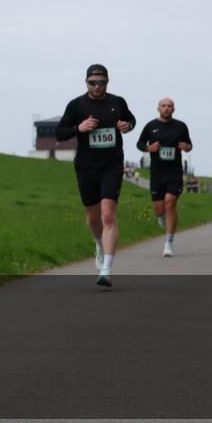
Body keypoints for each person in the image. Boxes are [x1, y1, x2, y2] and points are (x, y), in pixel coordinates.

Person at [56, 64, 136, 287]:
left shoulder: (117, 102)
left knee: (108, 215)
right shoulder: (76, 105)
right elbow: (60, 133)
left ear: (107, 82)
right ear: (86, 83)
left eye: (102, 82)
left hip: (112, 166)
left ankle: (107, 268)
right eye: (93, 83)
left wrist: (127, 125)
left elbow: (131, 120)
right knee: (93, 217)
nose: (98, 87)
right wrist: (79, 128)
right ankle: (99, 247)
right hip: (86, 167)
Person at [135, 98, 193, 257]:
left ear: (173, 109)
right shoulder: (150, 126)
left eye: (169, 106)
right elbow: (139, 144)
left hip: (174, 172)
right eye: (164, 106)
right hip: (157, 173)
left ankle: (169, 242)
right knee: (159, 210)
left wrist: (186, 147)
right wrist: (149, 148)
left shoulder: (181, 126)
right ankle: (162, 219)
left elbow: (189, 145)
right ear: (158, 108)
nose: (167, 108)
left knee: (170, 203)